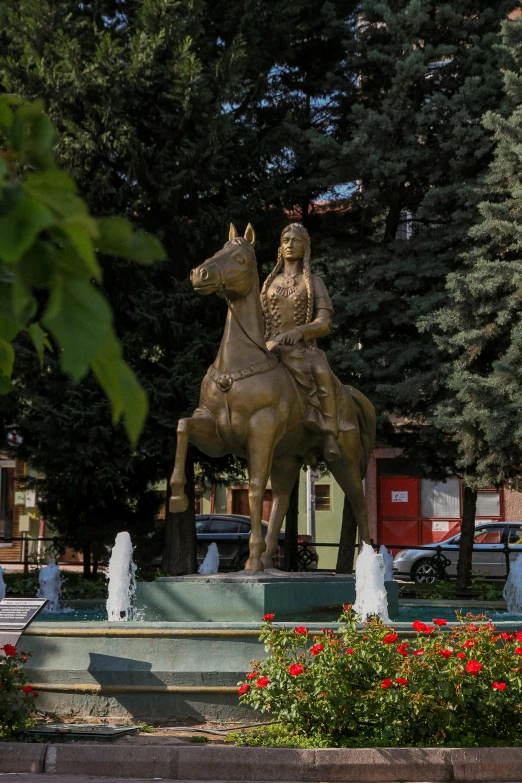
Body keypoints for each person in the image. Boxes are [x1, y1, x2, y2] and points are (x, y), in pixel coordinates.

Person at [260, 223, 353, 461]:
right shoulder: (270, 282)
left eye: (296, 240)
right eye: (286, 240)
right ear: (280, 247)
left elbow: (324, 322)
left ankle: (330, 433)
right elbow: (259, 317)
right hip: (270, 347)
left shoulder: (314, 282)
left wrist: (301, 331)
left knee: (322, 372)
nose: (290, 244)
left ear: (305, 247)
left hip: (302, 350)